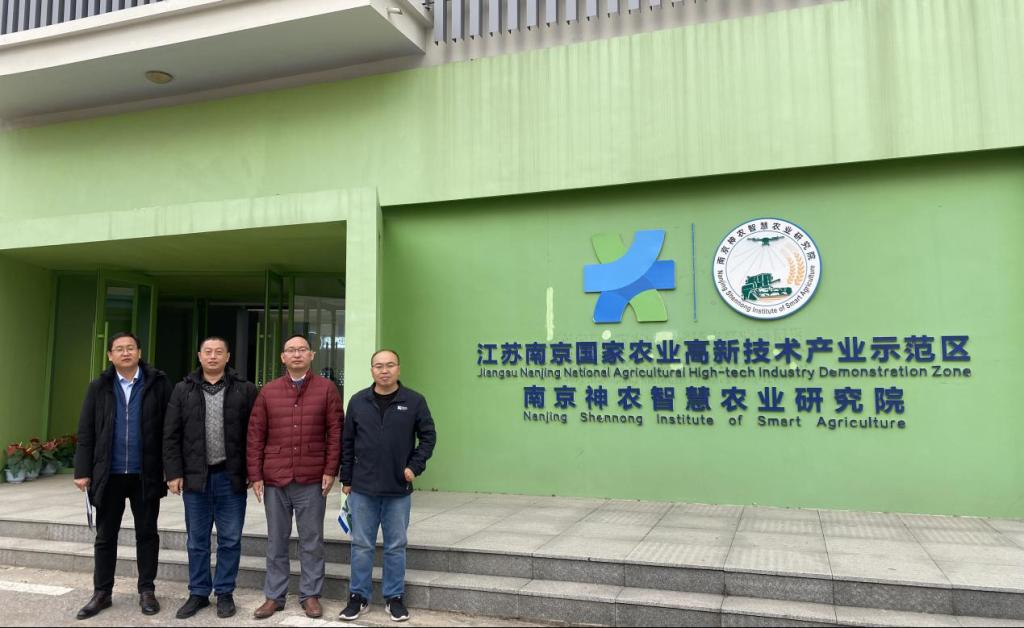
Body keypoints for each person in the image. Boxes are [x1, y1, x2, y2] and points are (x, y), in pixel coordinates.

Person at [73, 331, 173, 620]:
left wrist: (171, 469)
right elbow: (86, 430)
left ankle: (147, 590)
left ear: (139, 352)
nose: (125, 353)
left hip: (145, 474)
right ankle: (102, 592)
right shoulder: (99, 386)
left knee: (147, 534)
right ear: (110, 355)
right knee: (105, 536)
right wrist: (82, 470)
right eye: (119, 349)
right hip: (109, 473)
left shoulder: (158, 383)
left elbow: (170, 428)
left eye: (131, 348)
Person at [246, 334, 343, 620]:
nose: (297, 354)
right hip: (275, 478)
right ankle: (274, 596)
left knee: (312, 540)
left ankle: (310, 595)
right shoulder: (268, 392)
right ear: (283, 357)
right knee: (276, 540)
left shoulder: (327, 389)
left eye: (302, 349)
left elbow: (336, 433)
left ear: (312, 355)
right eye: (291, 350)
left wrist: (330, 469)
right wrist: (255, 474)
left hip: (312, 477)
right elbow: (255, 436)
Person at [338, 349, 436, 623]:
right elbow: (347, 442)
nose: (384, 370)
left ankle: (394, 598)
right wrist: (346, 479)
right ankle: (358, 597)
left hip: (397, 487)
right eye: (379, 366)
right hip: (362, 488)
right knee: (361, 545)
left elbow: (428, 437)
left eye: (390, 365)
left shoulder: (414, 401)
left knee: (395, 545)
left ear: (398, 369)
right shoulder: (358, 401)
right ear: (372, 370)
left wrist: (414, 467)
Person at [163, 337, 258, 619]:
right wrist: (173, 473)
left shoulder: (244, 389)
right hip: (196, 478)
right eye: (208, 352)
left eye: (219, 352)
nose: (213, 356)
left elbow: (255, 435)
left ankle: (225, 592)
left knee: (230, 539)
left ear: (228, 357)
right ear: (199, 356)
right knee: (197, 540)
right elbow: (170, 435)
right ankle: (198, 593)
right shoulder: (183, 389)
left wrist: (252, 471)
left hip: (231, 477)